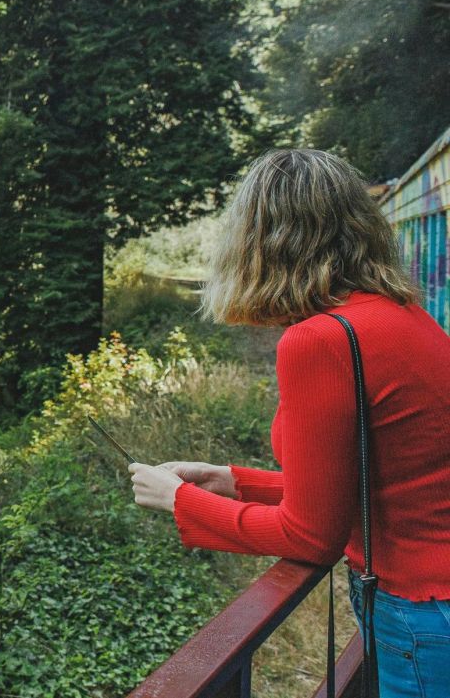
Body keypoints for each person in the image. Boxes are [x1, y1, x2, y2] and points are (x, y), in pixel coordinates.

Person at [127, 147, 450, 698]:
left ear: (260, 241)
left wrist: (181, 501)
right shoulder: (403, 314)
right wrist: (235, 482)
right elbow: (389, 480)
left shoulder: (320, 341)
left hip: (421, 612)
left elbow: (310, 536)